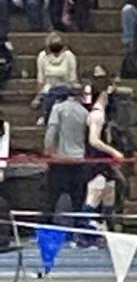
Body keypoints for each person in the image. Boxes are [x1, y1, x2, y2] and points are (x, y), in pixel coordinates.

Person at [83, 76, 124, 228]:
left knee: (109, 194)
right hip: (96, 161)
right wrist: (114, 152)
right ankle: (84, 232)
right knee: (94, 194)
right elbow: (94, 140)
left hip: (106, 162)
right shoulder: (97, 115)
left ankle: (107, 228)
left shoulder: (106, 114)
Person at [44, 82, 89, 223]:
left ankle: (45, 228)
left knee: (51, 198)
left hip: (60, 159)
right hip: (79, 160)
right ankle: (78, 230)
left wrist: (48, 151)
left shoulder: (58, 109)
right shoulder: (84, 112)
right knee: (78, 199)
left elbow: (51, 132)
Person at [35, 32, 77, 125]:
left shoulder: (69, 56)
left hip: (65, 86)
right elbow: (40, 78)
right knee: (48, 95)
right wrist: (37, 96)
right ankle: (46, 116)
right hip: (48, 87)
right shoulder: (42, 56)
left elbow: (73, 77)